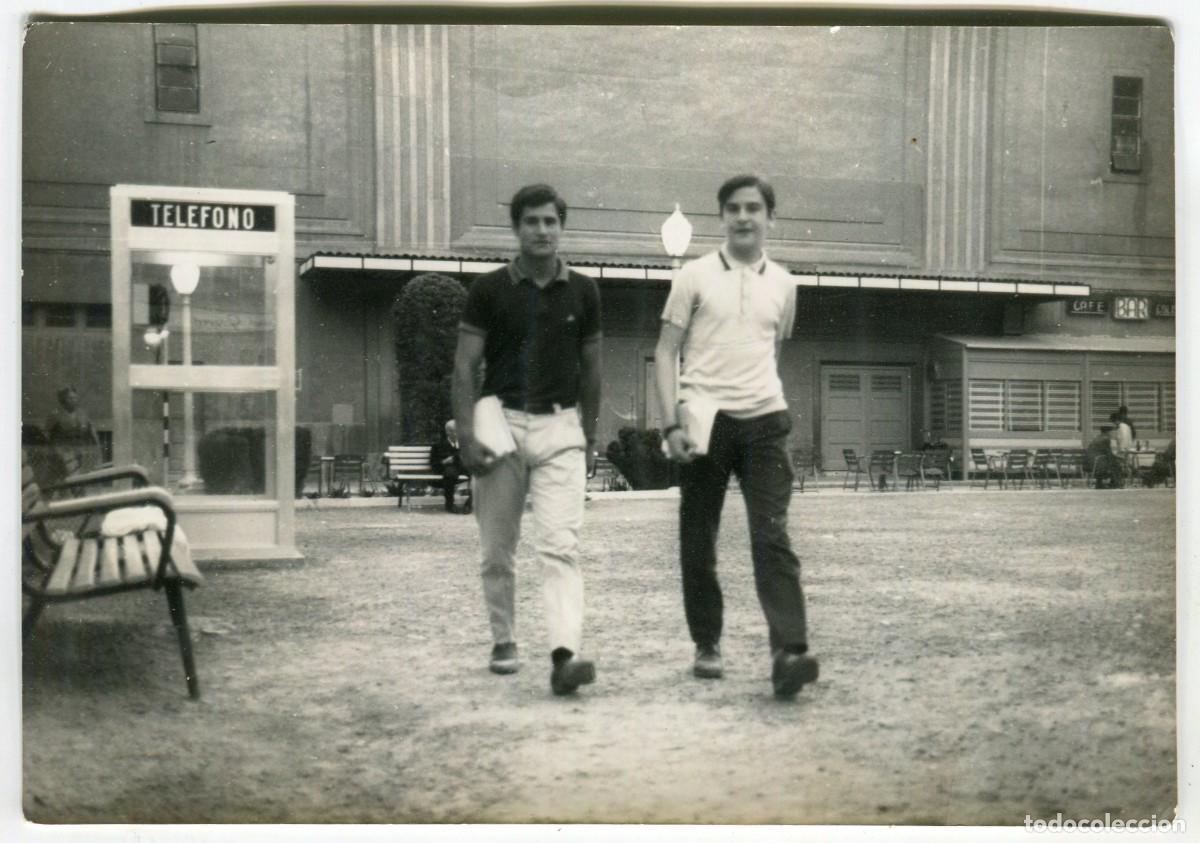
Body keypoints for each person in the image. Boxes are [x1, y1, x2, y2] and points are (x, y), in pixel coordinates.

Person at [654, 174, 819, 700]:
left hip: (765, 421)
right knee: (698, 536)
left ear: (771, 217)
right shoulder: (694, 276)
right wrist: (672, 423)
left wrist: (758, 396)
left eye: (753, 208)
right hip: (705, 420)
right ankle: (707, 643)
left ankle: (789, 652)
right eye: (733, 208)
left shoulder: (786, 285)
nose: (743, 217)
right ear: (722, 216)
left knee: (772, 536)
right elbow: (665, 351)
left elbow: (773, 352)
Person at [451, 183, 602, 696]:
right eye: (532, 221)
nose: (542, 230)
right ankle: (504, 640)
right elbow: (465, 367)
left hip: (561, 427)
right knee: (497, 549)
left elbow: (592, 369)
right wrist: (467, 436)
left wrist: (589, 435)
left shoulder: (584, 291)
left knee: (561, 547)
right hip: (502, 426)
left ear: (561, 227)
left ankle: (564, 656)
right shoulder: (488, 290)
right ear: (516, 228)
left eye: (550, 221)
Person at [45, 385, 101, 473]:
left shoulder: (82, 414)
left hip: (82, 453)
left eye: (75, 397)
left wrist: (97, 450)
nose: (73, 400)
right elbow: (48, 437)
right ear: (63, 400)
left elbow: (92, 433)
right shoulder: (55, 415)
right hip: (65, 455)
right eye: (70, 398)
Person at [430, 419, 470, 514]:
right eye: (454, 431)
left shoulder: (465, 444)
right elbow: (433, 463)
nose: (457, 434)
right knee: (449, 474)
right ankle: (450, 504)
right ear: (447, 432)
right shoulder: (438, 445)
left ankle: (470, 504)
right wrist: (444, 462)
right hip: (449, 468)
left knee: (477, 474)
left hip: (463, 466)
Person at [1086, 424, 1124, 489]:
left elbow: (1105, 452)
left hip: (1090, 461)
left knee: (1112, 462)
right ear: (1108, 432)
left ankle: (1100, 483)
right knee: (1117, 465)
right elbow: (1108, 453)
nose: (1112, 433)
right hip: (1098, 462)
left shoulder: (1098, 437)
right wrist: (1118, 458)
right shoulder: (1106, 439)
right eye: (1112, 432)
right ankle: (1115, 483)